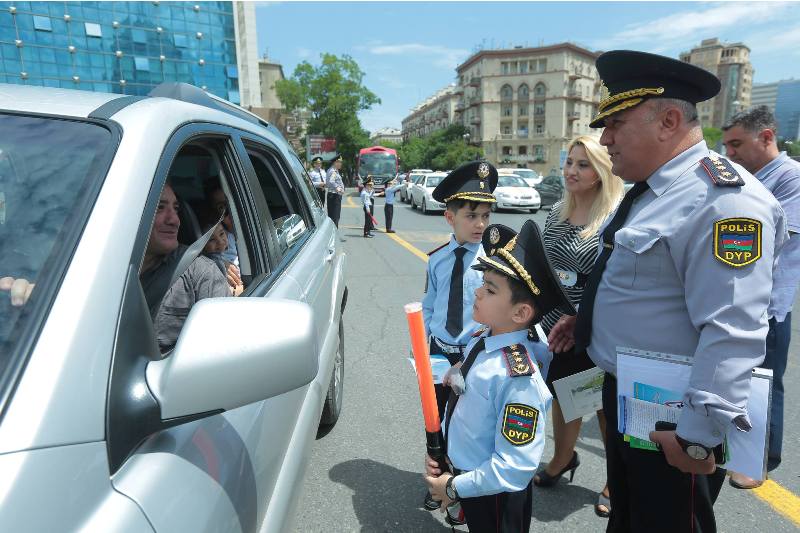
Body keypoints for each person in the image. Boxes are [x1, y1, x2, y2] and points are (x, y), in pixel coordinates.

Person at [547, 50, 787, 533]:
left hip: (675, 417)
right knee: (634, 515)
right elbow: (636, 280)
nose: (605, 139)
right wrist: (588, 318)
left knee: (671, 521)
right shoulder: (653, 189)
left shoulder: (723, 201)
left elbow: (732, 330)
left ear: (670, 120)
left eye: (615, 125)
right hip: (630, 396)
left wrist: (697, 437)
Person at [424, 220, 576, 532]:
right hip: (471, 475)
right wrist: (456, 374)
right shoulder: (486, 336)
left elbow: (514, 467)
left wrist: (454, 487)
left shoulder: (518, 378)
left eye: (490, 289)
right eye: (483, 283)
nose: (478, 292)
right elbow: (475, 379)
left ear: (520, 314)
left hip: (494, 493)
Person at [533, 135, 624, 519]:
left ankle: (615, 481)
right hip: (554, 324)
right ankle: (561, 460)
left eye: (583, 164)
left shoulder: (616, 218)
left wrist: (584, 318)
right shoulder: (557, 211)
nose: (571, 171)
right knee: (565, 395)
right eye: (570, 162)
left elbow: (617, 282)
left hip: (596, 327)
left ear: (602, 171)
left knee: (603, 407)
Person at [722, 105, 800, 488]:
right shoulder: (750, 178)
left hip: (768, 305)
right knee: (743, 377)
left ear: (767, 137)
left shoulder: (791, 177)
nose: (729, 154)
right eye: (726, 146)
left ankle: (760, 460)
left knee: (765, 381)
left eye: (737, 144)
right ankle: (741, 447)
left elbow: (768, 236)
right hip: (740, 300)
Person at [420, 160, 497, 513]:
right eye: (471, 216)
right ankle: (439, 482)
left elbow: (493, 318)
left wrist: (471, 359)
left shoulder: (494, 264)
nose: (480, 224)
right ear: (450, 218)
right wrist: (422, 349)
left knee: (469, 426)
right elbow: (430, 306)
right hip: (438, 353)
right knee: (436, 424)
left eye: (485, 215)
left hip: (472, 356)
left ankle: (465, 489)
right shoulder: (437, 259)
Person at [140, 183, 230, 353]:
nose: (175, 220)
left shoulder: (202, 274)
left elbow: (224, 353)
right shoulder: (94, 277)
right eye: (159, 207)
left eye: (176, 209)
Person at [326, 153, 345, 228]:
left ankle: (334, 235)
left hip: (333, 196)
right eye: (339, 162)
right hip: (334, 196)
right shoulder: (333, 171)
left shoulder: (332, 170)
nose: (340, 164)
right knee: (335, 217)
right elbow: (331, 181)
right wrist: (338, 188)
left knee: (333, 217)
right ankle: (335, 236)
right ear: (335, 162)